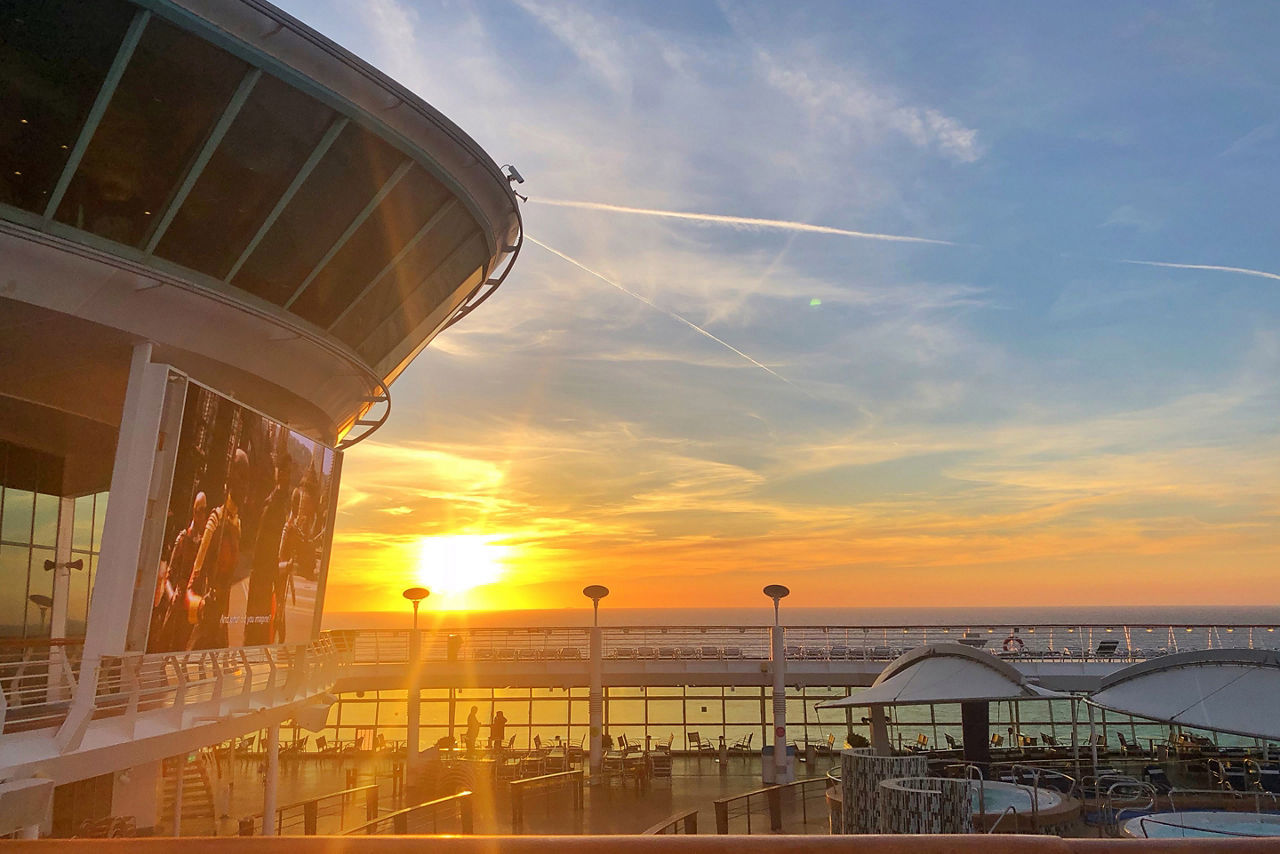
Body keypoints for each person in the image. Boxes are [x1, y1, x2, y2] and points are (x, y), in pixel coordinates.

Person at [185, 449, 249, 650]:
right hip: (208, 608)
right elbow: (195, 572)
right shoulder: (215, 520)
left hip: (223, 612)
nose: (244, 485)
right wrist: (197, 602)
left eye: (246, 478)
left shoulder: (237, 524)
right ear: (231, 478)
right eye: (240, 476)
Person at [244, 437, 292, 645]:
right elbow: (264, 542)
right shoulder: (273, 502)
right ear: (278, 473)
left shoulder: (279, 501)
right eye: (283, 471)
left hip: (264, 574)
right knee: (257, 628)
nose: (285, 476)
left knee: (260, 628)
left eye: (288, 472)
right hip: (261, 575)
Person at [148, 492, 208, 652]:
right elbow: (169, 574)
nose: (202, 515)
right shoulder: (183, 539)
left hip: (193, 601)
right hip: (179, 599)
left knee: (186, 643)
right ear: (194, 512)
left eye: (204, 510)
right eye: (199, 510)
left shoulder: (205, 543)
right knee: (165, 640)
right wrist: (172, 595)